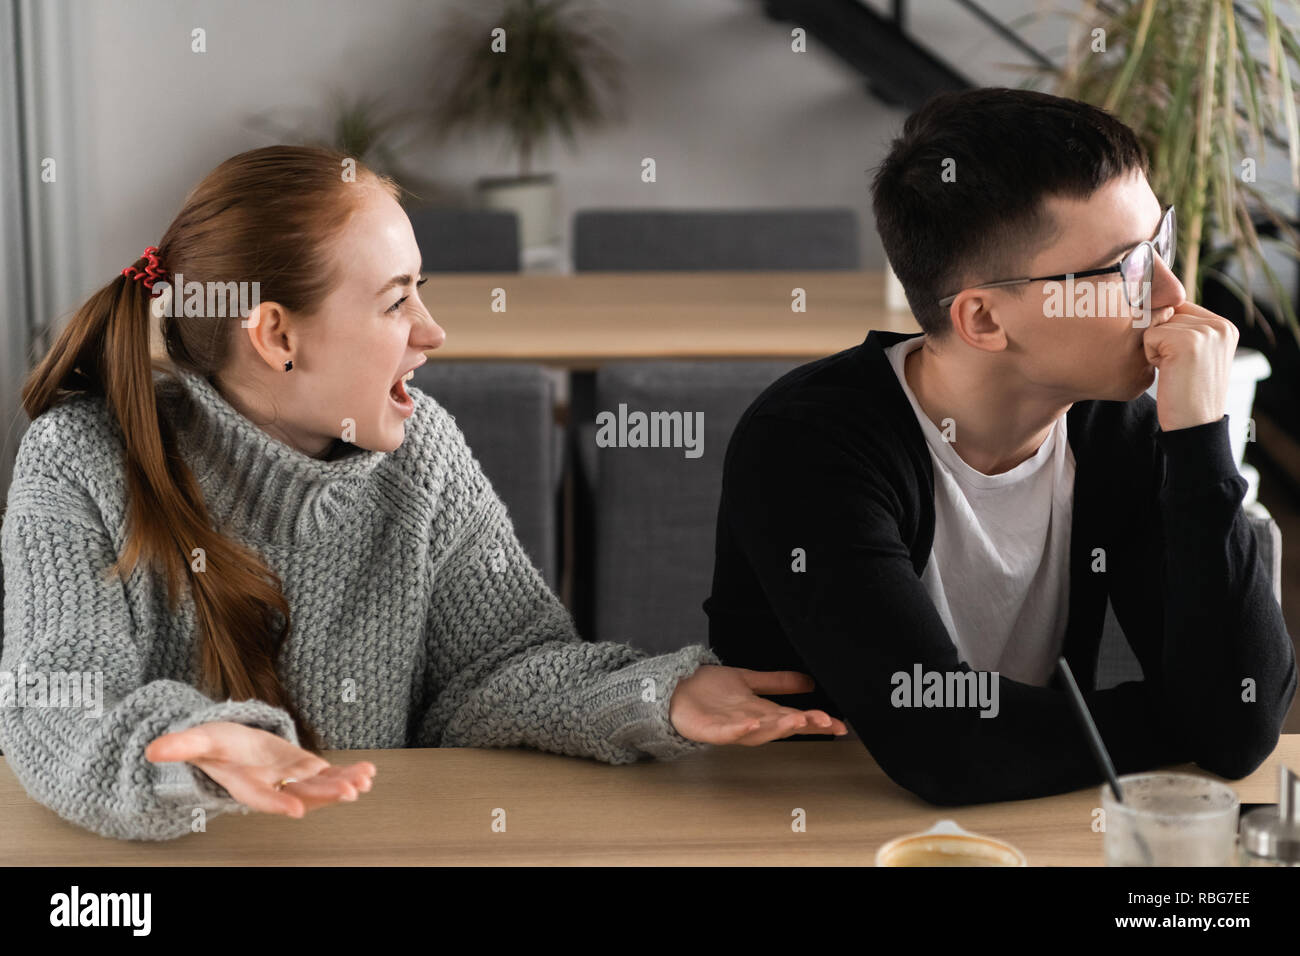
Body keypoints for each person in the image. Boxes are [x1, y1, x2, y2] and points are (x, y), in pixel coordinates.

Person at [0, 145, 846, 842]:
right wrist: (188, 750)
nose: (434, 333)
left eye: (422, 292)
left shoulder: (423, 451)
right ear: (277, 335)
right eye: (395, 301)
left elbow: (497, 671)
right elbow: (52, 700)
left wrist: (657, 696)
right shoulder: (80, 460)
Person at [705, 87, 1296, 805]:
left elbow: (1239, 723)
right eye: (1126, 269)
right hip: (803, 819)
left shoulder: (1117, 429)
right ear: (983, 318)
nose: (1172, 293)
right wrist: (1181, 719)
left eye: (1160, 245)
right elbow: (946, 746)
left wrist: (1201, 441)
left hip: (1028, 820)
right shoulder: (809, 444)